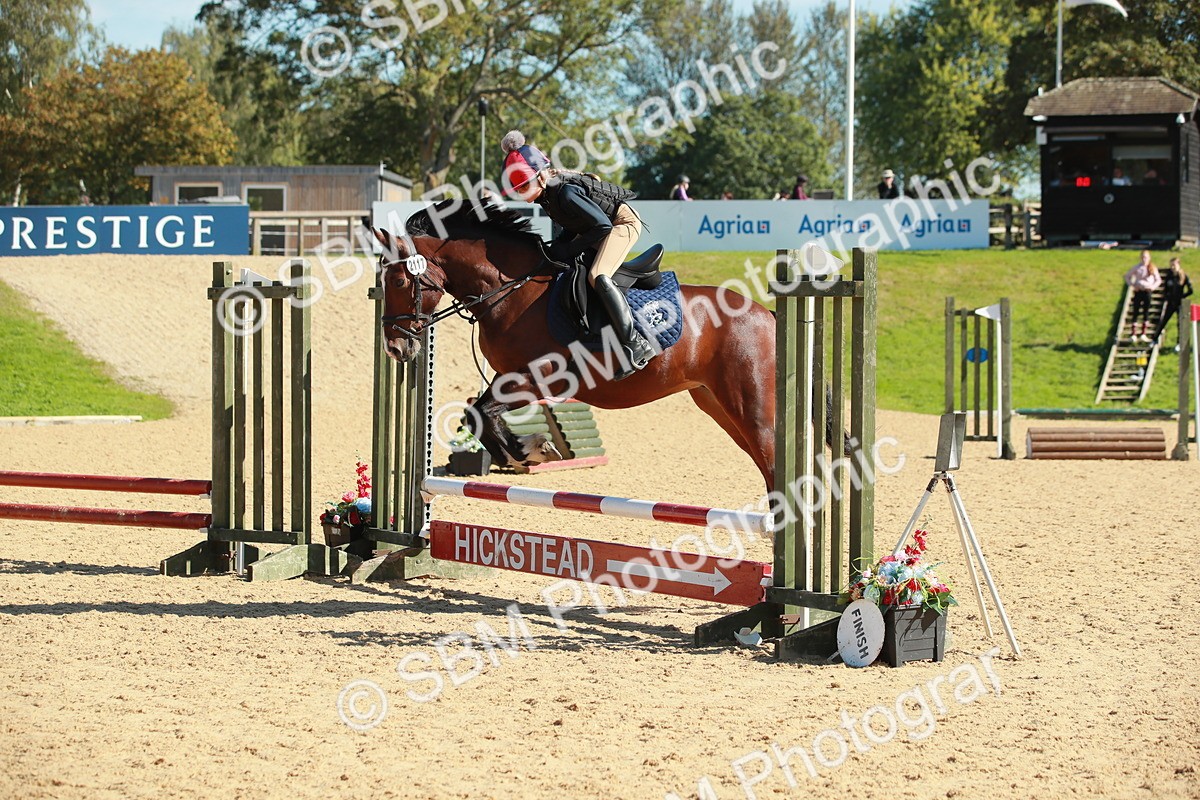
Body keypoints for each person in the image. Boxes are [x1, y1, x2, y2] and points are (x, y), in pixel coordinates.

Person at [501, 130, 655, 379]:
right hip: (599, 226)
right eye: (517, 189)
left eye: (524, 186)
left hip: (621, 224)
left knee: (598, 275)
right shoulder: (546, 196)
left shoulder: (565, 193)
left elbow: (602, 227)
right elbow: (574, 229)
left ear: (541, 177)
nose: (521, 193)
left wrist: (568, 248)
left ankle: (637, 344)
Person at [1152, 257, 1193, 348]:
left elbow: (1191, 290)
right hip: (1171, 303)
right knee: (1164, 321)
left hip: (1180, 304)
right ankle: (1154, 339)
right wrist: (1167, 297)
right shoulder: (1169, 276)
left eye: (1174, 265)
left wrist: (1182, 297)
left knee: (1180, 323)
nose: (1172, 267)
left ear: (1178, 265)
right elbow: (1165, 289)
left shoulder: (1183, 276)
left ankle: (1179, 343)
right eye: (1171, 265)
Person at [1124, 250, 1162, 342]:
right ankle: (1133, 333)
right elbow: (1127, 276)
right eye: (1143, 257)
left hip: (1147, 291)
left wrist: (1152, 287)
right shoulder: (1137, 267)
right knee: (1136, 310)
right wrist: (1132, 285)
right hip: (1138, 291)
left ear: (1149, 258)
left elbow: (1158, 280)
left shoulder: (1152, 268)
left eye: (1146, 257)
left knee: (1146, 311)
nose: (1144, 259)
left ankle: (1143, 333)